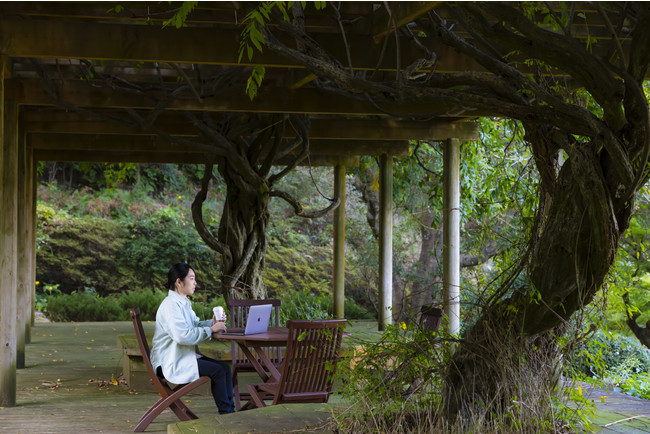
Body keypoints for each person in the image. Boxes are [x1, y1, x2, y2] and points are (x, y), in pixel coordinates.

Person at [149, 263, 235, 414]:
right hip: (170, 361)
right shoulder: (171, 306)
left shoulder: (183, 303)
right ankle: (227, 414)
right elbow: (183, 336)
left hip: (182, 355)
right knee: (219, 372)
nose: (195, 283)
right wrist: (211, 329)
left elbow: (194, 324)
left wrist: (213, 323)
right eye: (192, 278)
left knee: (225, 369)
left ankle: (229, 412)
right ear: (178, 282)